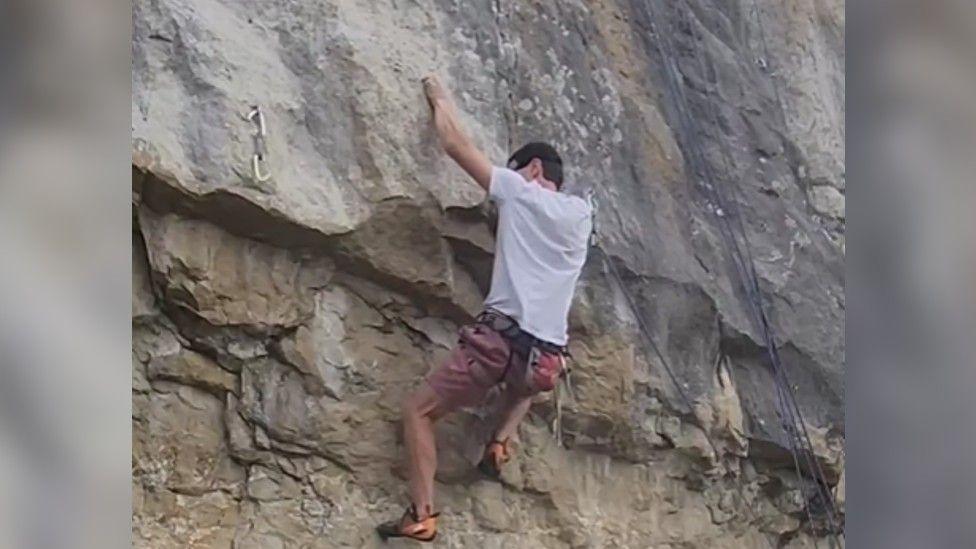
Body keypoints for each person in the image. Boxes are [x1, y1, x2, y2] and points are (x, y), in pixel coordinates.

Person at [377, 75, 593, 542]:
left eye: (517, 172)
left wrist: (439, 96)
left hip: (497, 344)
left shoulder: (519, 191)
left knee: (418, 411)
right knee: (532, 377)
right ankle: (498, 441)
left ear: (533, 170)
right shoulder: (581, 216)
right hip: (544, 362)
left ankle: (421, 513)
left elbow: (454, 143)